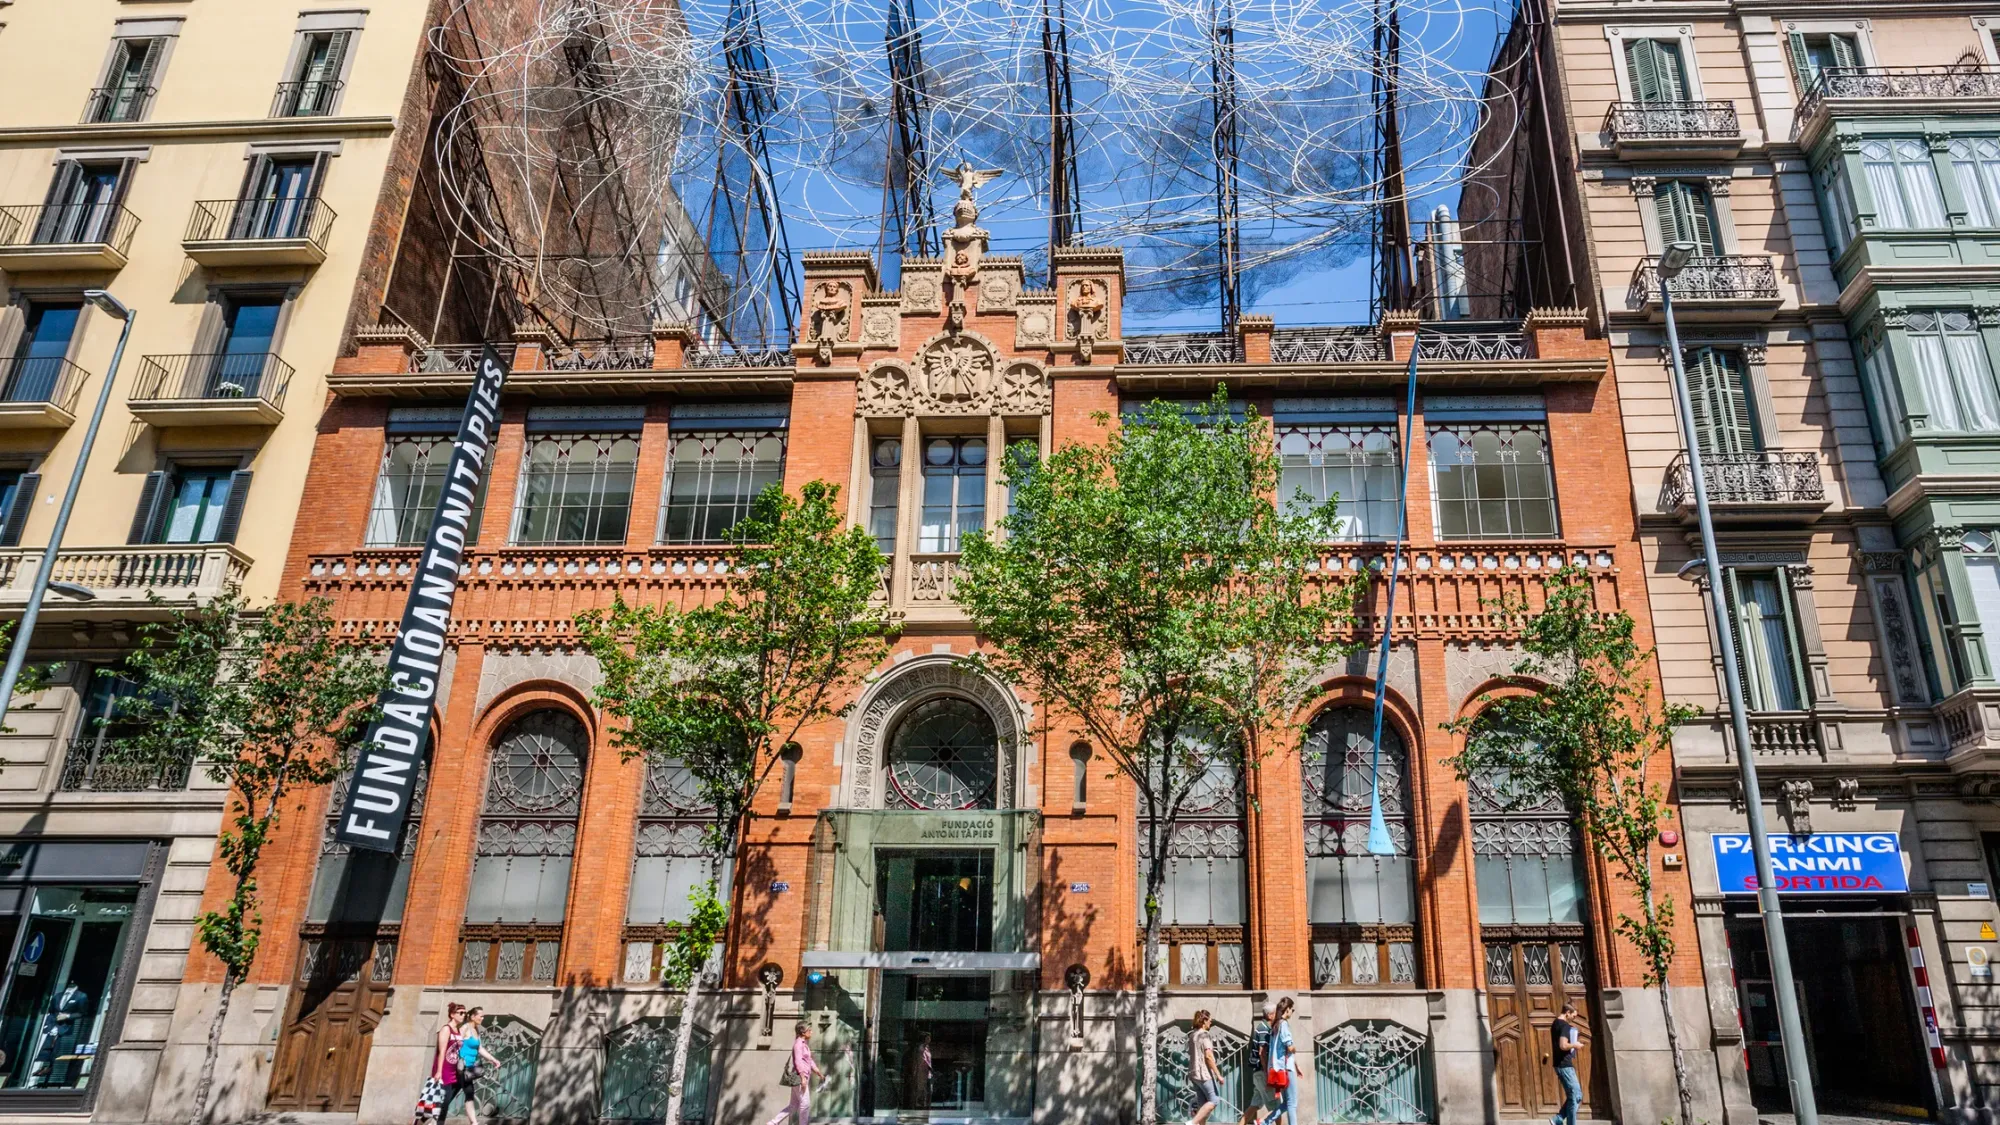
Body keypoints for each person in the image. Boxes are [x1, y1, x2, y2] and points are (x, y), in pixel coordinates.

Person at [448, 1007, 501, 1125]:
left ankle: (429, 1119)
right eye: (480, 1016)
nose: (482, 1018)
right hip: (463, 1067)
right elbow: (453, 1043)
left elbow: (480, 1048)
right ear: (472, 1016)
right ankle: (474, 1123)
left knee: (450, 1094)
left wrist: (493, 1059)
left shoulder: (476, 1029)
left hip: (470, 1067)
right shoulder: (465, 1028)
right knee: (469, 1092)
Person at [765, 1020, 824, 1125]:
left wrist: (818, 1072)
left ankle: (773, 1123)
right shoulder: (798, 1044)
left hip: (802, 1077)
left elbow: (809, 1061)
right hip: (800, 1078)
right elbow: (798, 1061)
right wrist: (802, 1078)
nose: (811, 1032)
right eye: (809, 1030)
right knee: (805, 1104)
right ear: (803, 1032)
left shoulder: (804, 1044)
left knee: (794, 1105)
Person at [418, 1004, 466, 1125]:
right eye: (460, 1013)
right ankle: (433, 1121)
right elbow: (442, 1051)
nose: (463, 1015)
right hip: (444, 1069)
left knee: (446, 1099)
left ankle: (426, 1119)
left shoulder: (458, 1031)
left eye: (464, 1013)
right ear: (452, 1015)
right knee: (443, 1101)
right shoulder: (446, 1029)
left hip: (455, 1070)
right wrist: (438, 1071)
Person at [1241, 1001, 1276, 1125]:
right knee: (1276, 1107)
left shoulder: (1264, 1027)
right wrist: (1268, 1073)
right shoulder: (1263, 1029)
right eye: (1276, 1013)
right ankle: (1261, 1122)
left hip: (1258, 1072)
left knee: (1255, 1104)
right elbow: (1262, 1052)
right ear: (1270, 1015)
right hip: (1262, 1072)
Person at [1551, 1004, 1583, 1125]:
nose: (1573, 1018)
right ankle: (1562, 1120)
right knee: (1575, 1097)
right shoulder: (1564, 1026)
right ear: (1567, 1012)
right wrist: (1575, 1045)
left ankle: (1558, 1119)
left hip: (1561, 1064)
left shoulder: (1555, 1023)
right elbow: (1563, 1045)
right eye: (1573, 1016)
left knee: (1576, 1095)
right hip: (1564, 1065)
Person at [1188, 1010, 1221, 1125]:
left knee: (1202, 1104)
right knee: (1214, 1100)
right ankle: (1192, 1123)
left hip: (1193, 1074)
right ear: (1204, 1021)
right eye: (1209, 1020)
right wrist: (1218, 1075)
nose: (1210, 1023)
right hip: (1204, 1074)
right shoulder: (1204, 1035)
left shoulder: (1192, 1035)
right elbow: (1208, 1056)